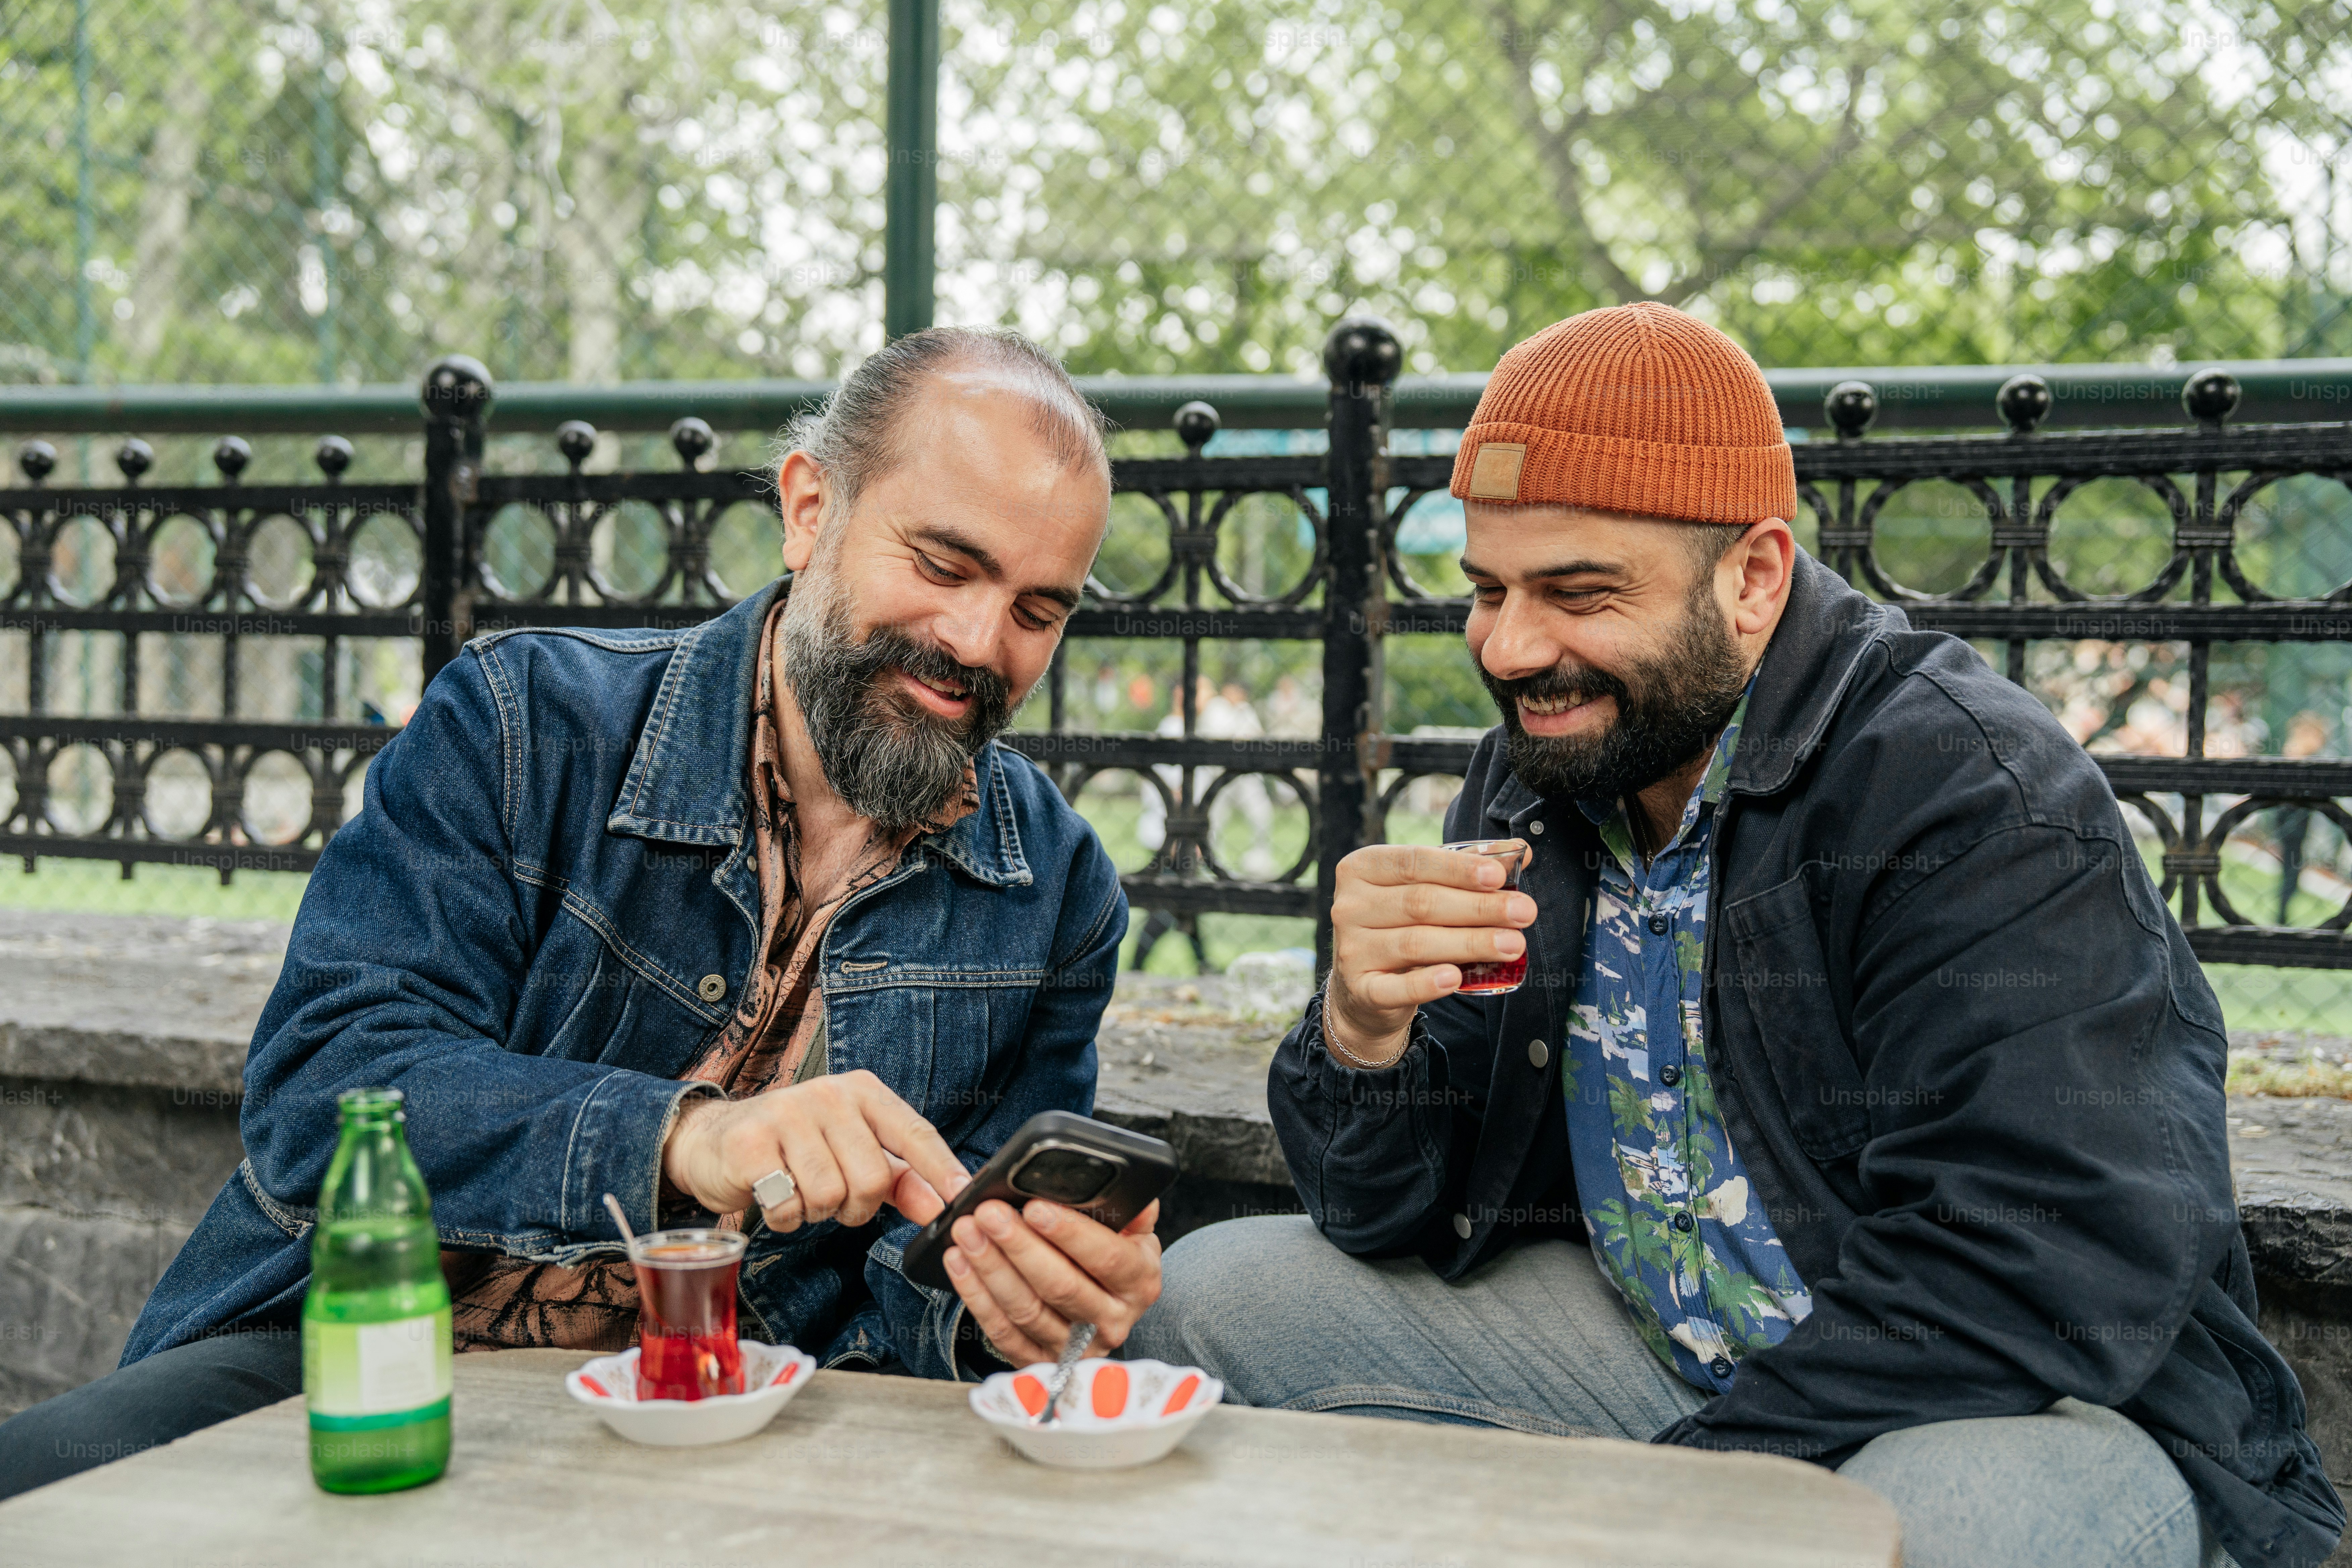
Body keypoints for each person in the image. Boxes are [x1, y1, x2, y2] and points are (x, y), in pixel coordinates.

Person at [1128, 302, 2345, 1568]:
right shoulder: (1542, 767)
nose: (1508, 645)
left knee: (1956, 1528)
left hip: (2013, 1413)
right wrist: (1361, 1037)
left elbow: (2046, 1262)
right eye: (1486, 590)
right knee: (1204, 1303)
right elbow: (1393, 1218)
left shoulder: (1962, 790)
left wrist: (1694, 1496)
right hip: (1667, 1355)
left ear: (1754, 576)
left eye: (1578, 592)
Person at [0, 327, 1161, 1499]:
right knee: (43, 1493)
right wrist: (684, 1138)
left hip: (725, 1434)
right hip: (333, 1356)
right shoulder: (522, 724)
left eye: (1039, 610)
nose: (978, 644)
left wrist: (1011, 1302)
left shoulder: (1058, 896)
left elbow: (921, 1297)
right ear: (810, 510)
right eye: (945, 566)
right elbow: (321, 1093)